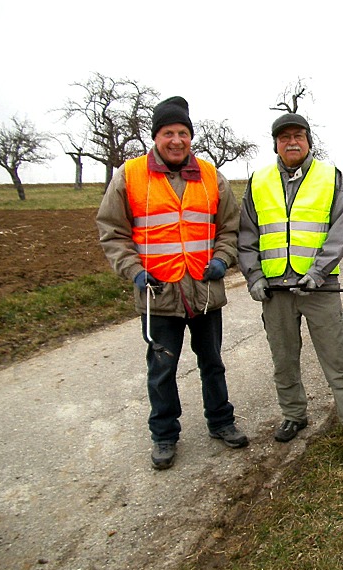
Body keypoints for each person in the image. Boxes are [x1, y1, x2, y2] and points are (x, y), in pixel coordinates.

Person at [96, 96, 248, 470]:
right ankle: (164, 435)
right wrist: (133, 270)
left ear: (190, 137)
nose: (176, 140)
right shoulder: (130, 175)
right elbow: (113, 232)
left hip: (204, 291)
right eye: (168, 133)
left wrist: (222, 259)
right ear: (156, 137)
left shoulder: (212, 176)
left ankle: (221, 422)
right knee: (162, 368)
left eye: (183, 132)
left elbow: (230, 227)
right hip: (157, 294)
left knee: (212, 362)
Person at [237, 113, 343, 453]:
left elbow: (340, 231)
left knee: (338, 356)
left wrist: (318, 273)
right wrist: (253, 276)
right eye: (284, 138)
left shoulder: (330, 177)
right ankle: (294, 415)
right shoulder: (258, 181)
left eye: (298, 135)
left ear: (309, 140)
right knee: (283, 359)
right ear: (276, 144)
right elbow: (247, 235)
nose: (291, 142)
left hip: (319, 287)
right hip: (274, 290)